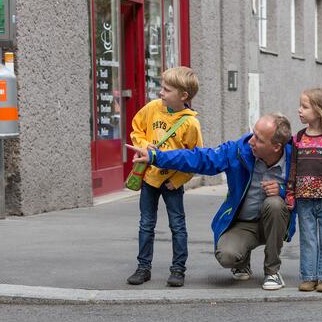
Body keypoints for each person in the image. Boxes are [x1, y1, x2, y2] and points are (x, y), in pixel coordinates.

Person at [126, 113, 297, 291]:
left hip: (274, 221)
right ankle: (241, 260)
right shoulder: (238, 151)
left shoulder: (296, 158)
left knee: (275, 203)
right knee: (227, 256)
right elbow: (200, 158)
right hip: (243, 223)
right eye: (253, 133)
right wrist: (156, 157)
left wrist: (283, 191)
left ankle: (272, 271)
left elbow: (309, 188)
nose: (251, 141)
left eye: (259, 139)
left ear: (277, 146)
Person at [126, 66, 203, 287]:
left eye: (167, 90)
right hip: (149, 178)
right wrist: (143, 145)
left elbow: (195, 158)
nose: (161, 93)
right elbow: (136, 129)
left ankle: (178, 269)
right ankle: (143, 268)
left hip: (171, 183)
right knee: (146, 224)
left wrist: (177, 181)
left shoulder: (190, 123)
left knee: (177, 225)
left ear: (183, 96)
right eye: (162, 88)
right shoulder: (152, 108)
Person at [285, 88, 322, 293]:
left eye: (304, 106)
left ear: (319, 111)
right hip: (303, 199)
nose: (299, 110)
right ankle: (309, 276)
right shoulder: (298, 138)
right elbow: (292, 168)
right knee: (308, 239)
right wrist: (290, 193)